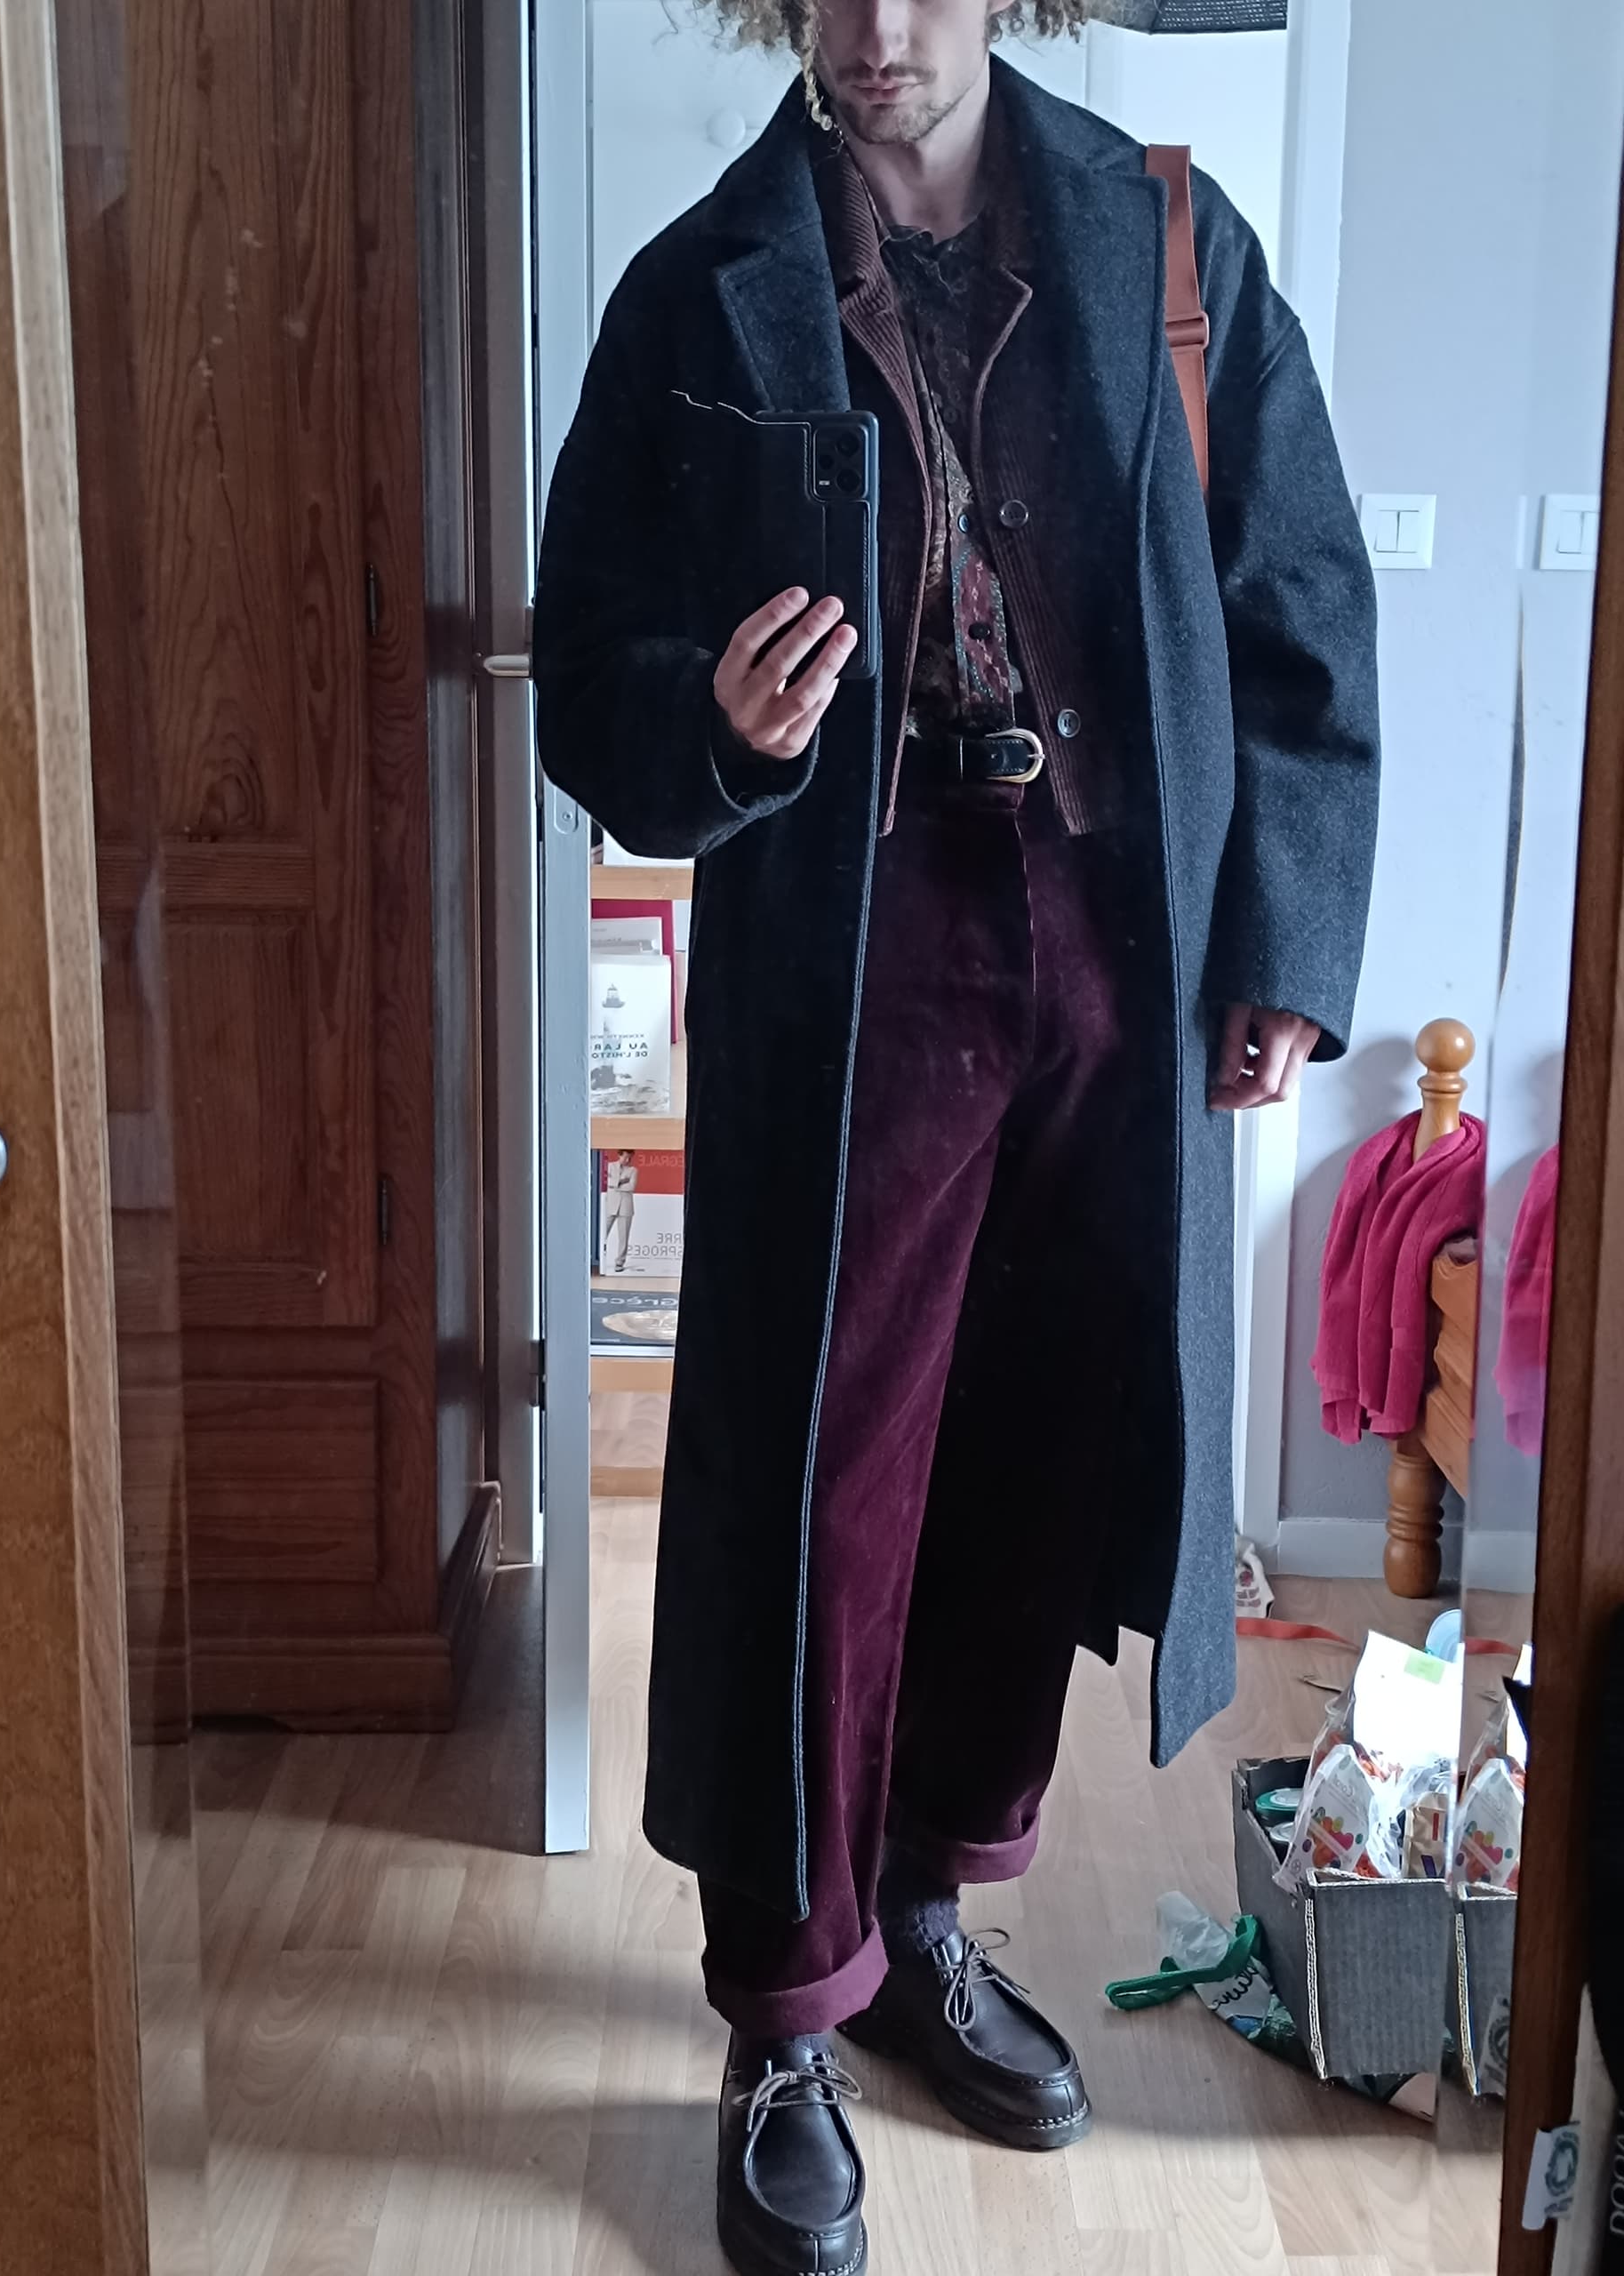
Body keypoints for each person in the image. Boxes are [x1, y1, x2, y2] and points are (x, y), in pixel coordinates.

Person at [533, 0, 1380, 2263]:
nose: (876, 26)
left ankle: (922, 1913)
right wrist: (710, 722)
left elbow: (1297, 600)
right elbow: (588, 655)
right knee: (826, 1488)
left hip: (1121, 948)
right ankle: (784, 2006)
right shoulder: (699, 286)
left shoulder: (1171, 244)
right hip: (856, 970)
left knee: (1040, 1448)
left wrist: (1283, 946)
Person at [602, 1149, 639, 1273]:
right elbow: (607, 1182)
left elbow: (631, 1187)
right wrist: (621, 1181)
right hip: (611, 1205)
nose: (627, 1160)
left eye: (630, 1158)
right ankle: (598, 1258)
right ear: (619, 1155)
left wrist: (615, 1185)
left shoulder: (633, 1170)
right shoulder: (610, 1167)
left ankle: (620, 1262)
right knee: (603, 1233)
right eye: (625, 1157)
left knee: (624, 1237)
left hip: (626, 1207)